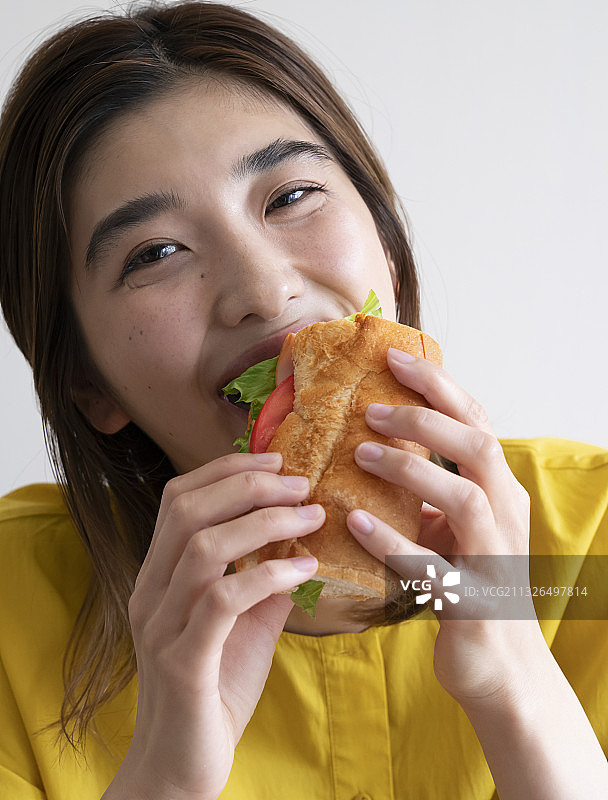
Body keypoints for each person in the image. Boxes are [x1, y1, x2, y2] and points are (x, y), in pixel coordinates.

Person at [0, 2, 606, 798]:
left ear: (386, 244)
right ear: (87, 382)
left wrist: (516, 691)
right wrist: (165, 777)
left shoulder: (587, 541)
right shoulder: (14, 607)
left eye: (290, 197)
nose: (262, 288)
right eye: (156, 252)